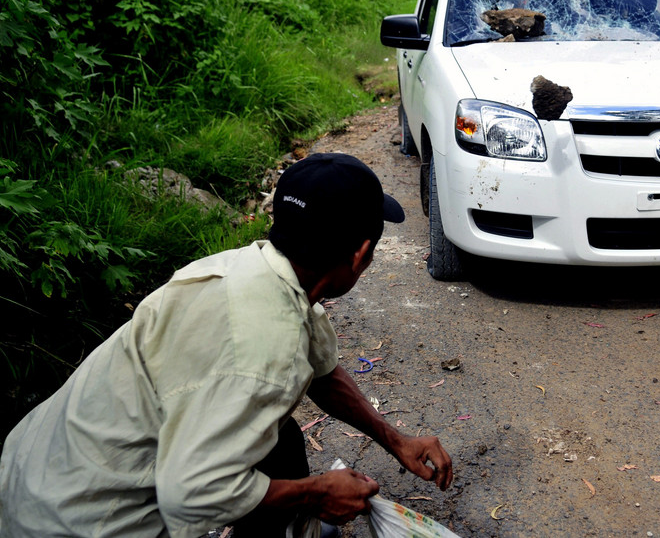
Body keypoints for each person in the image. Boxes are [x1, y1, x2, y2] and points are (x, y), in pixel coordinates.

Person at [0, 153, 454, 536]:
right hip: (77, 522)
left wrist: (396, 440)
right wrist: (317, 491)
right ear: (360, 255)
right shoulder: (265, 351)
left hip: (31, 473)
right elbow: (189, 497)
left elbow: (322, 369)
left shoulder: (257, 269)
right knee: (265, 461)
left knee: (281, 441)